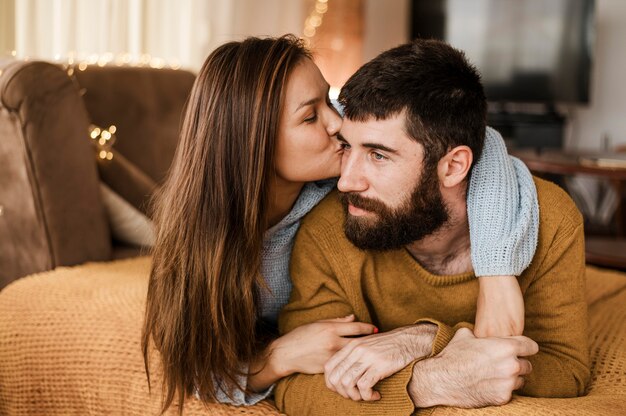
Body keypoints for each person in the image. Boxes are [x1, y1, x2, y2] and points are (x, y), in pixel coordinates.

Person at [140, 35, 538, 412]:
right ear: (253, 141)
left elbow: (480, 142)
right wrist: (279, 357)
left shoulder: (342, 177)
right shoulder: (199, 242)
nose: (338, 124)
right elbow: (197, 372)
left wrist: (497, 271)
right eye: (311, 116)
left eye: (329, 99)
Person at [275, 38, 590, 415]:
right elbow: (297, 387)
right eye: (348, 147)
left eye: (377, 155)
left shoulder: (551, 218)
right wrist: (429, 381)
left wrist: (423, 339)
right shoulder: (328, 228)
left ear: (454, 166)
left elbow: (567, 368)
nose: (346, 181)